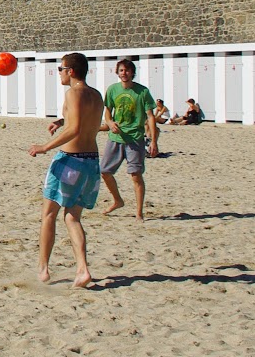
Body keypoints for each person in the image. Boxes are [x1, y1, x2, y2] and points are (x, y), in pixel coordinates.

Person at [27, 52, 104, 288]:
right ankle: (82, 268)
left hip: (70, 161)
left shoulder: (73, 93)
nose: (58, 73)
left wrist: (45, 147)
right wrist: (62, 122)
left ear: (70, 71)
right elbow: (88, 124)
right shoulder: (96, 95)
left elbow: (76, 129)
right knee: (72, 217)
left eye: (60, 68)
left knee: (49, 214)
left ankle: (43, 269)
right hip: (91, 162)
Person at [101, 59, 158, 221]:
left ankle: (139, 212)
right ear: (117, 73)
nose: (124, 73)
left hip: (135, 139)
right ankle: (118, 200)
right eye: (121, 70)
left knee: (135, 175)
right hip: (115, 138)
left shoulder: (142, 92)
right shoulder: (112, 90)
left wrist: (153, 141)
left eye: (127, 70)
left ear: (132, 72)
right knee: (104, 171)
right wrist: (110, 122)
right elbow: (107, 112)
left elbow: (150, 116)